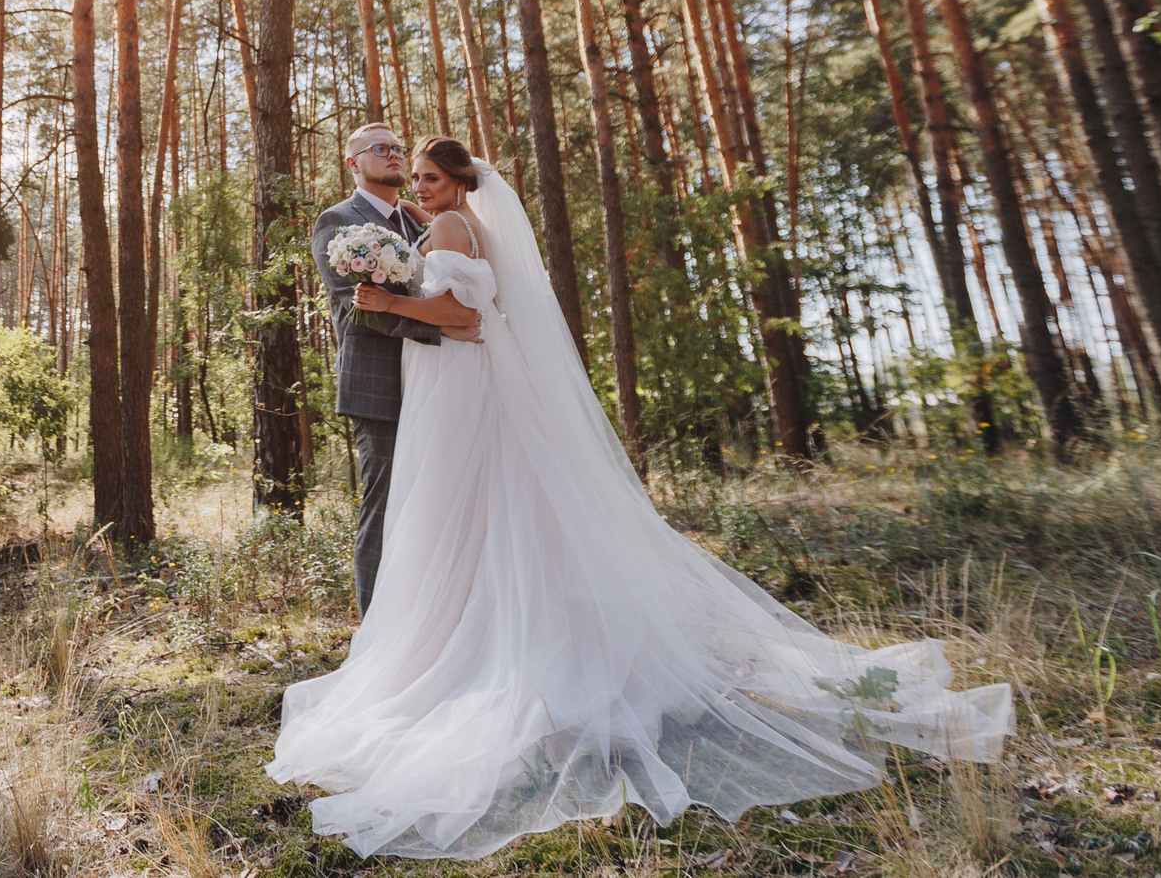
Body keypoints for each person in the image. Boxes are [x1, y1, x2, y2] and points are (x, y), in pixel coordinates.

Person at [273, 137, 1013, 860]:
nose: (422, 183)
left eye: (432, 174)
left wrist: (380, 295)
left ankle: (458, 642)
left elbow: (464, 319)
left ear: (460, 181)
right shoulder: (446, 223)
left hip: (460, 384)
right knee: (479, 512)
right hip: (451, 385)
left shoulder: (447, 224)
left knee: (465, 509)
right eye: (418, 174)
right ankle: (456, 629)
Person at [310, 123, 483, 616]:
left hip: (438, 381)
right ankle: (375, 635)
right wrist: (443, 329)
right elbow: (356, 306)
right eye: (378, 148)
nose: (393, 155)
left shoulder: (421, 219)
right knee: (385, 508)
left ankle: (427, 622)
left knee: (433, 507)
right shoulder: (338, 222)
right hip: (380, 384)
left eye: (396, 148)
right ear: (352, 163)